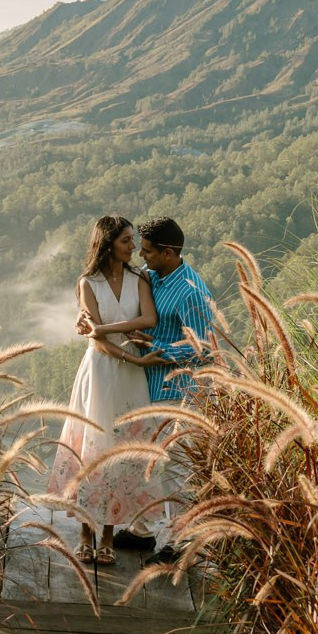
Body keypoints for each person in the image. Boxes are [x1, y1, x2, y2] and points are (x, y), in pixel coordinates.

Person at [75, 215, 213, 562]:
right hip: (147, 385)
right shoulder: (153, 276)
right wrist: (87, 322)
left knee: (179, 465)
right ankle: (142, 531)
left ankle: (181, 544)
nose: (141, 255)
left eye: (148, 251)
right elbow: (114, 301)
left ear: (168, 252)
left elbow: (205, 347)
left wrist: (158, 352)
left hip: (183, 387)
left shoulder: (190, 291)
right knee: (144, 460)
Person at [45, 215, 159, 565]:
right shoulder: (87, 282)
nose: (133, 247)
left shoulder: (139, 277)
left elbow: (149, 320)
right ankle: (84, 533)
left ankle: (107, 536)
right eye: (126, 240)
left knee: (120, 449)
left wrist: (105, 328)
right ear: (108, 243)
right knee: (93, 450)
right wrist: (132, 355)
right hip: (101, 370)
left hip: (129, 376)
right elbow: (98, 343)